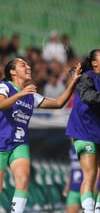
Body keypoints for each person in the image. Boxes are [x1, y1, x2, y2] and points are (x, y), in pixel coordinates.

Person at [0, 57, 81, 212]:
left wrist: (74, 81)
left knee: (23, 179)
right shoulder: (4, 86)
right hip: (1, 141)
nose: (28, 67)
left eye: (28, 64)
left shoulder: (31, 95)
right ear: (12, 71)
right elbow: (1, 105)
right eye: (23, 65)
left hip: (19, 143)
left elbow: (58, 103)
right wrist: (20, 94)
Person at [65, 48, 100, 212]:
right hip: (84, 132)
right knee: (90, 174)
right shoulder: (86, 77)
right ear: (94, 62)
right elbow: (86, 96)